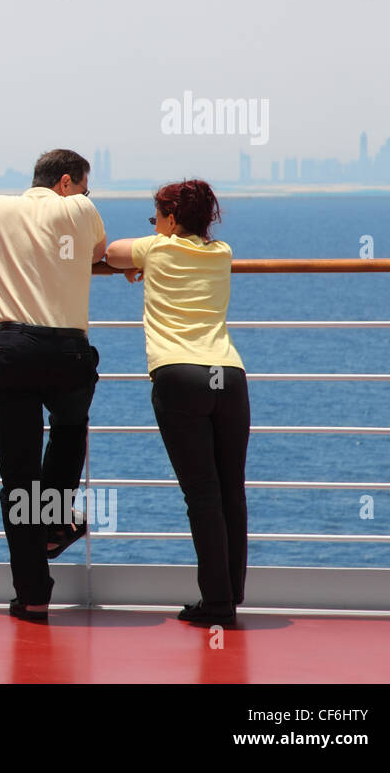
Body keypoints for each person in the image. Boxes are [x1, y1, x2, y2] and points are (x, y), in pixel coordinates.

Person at [0, 149, 106, 622]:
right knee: (71, 431)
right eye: (85, 187)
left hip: (15, 347)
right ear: (68, 181)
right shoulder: (81, 209)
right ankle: (55, 520)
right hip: (70, 350)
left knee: (18, 474)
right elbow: (96, 252)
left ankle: (33, 594)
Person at [105, 180, 248, 626]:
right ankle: (230, 593)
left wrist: (139, 263)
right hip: (229, 375)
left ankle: (217, 603)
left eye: (156, 218)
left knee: (202, 494)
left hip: (178, 374)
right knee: (230, 490)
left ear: (169, 219)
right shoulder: (222, 253)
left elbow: (111, 251)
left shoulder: (156, 248)